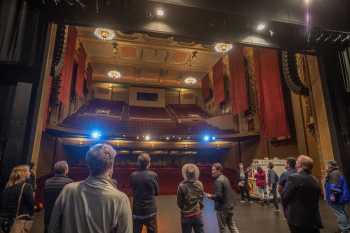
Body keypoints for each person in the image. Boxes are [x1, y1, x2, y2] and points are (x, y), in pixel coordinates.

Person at [49, 143, 132, 233]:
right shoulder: (121, 199)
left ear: (88, 165)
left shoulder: (67, 190)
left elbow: (52, 228)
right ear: (111, 167)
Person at [282, 155, 322, 233]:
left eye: (297, 161)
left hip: (297, 219)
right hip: (312, 218)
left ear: (300, 164)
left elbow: (285, 197)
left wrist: (286, 213)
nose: (296, 162)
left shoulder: (294, 178)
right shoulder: (315, 179)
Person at [0, 165, 35, 233]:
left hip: (3, 222)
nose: (30, 173)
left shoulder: (7, 188)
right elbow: (31, 205)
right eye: (28, 171)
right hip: (17, 222)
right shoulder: (27, 187)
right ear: (23, 173)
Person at [130, 153, 159, 233]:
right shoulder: (154, 175)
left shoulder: (132, 175)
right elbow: (156, 192)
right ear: (149, 163)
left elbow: (133, 191)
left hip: (137, 211)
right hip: (150, 211)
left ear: (138, 163)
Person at [207, 163, 238, 233]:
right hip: (229, 206)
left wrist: (210, 196)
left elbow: (219, 196)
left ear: (219, 170)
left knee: (222, 228)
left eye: (213, 170)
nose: (212, 172)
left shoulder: (218, 181)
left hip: (222, 208)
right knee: (232, 226)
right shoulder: (225, 178)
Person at [43, 161, 73, 233]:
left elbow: (45, 198)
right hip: (63, 215)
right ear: (66, 170)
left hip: (49, 213)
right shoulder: (70, 182)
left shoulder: (47, 182)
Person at [177, 163, 204, 233]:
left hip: (186, 216)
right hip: (197, 214)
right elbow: (201, 199)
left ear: (186, 174)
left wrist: (185, 208)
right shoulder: (199, 184)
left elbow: (179, 203)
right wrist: (198, 208)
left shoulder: (181, 186)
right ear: (195, 173)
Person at [324, 160, 350, 233]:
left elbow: (335, 186)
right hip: (339, 197)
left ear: (330, 166)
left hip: (336, 197)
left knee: (339, 213)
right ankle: (345, 227)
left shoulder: (334, 173)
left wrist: (333, 195)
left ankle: (345, 229)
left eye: (326, 166)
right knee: (341, 212)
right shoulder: (335, 172)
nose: (325, 167)